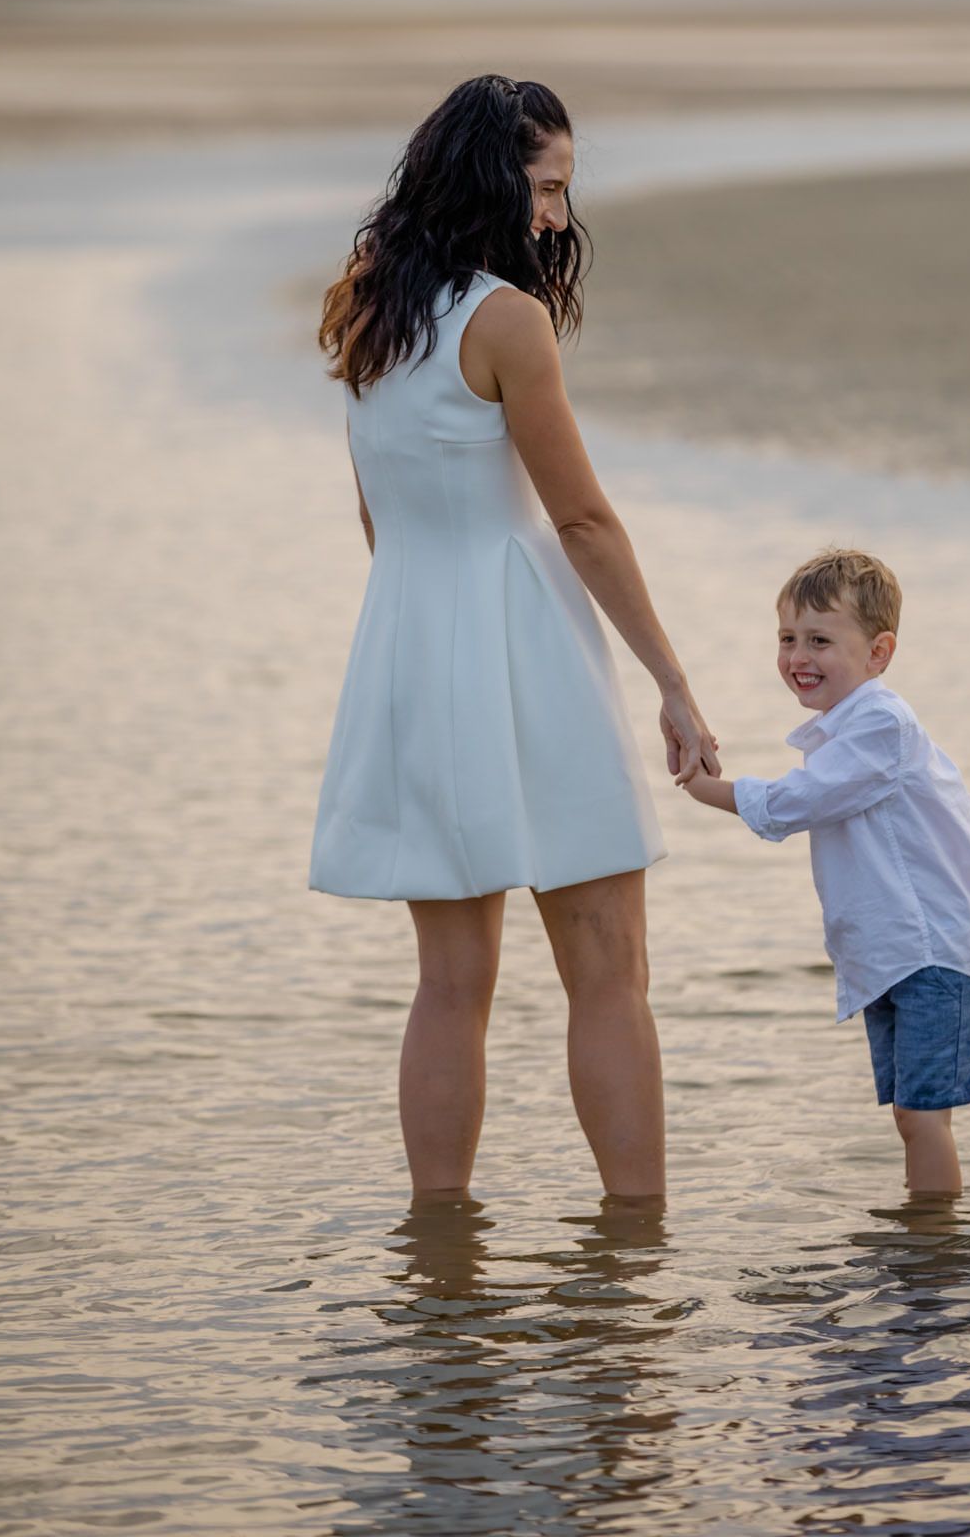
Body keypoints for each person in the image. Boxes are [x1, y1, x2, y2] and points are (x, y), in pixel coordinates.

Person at [308, 74, 719, 1208]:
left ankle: (439, 1250)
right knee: (609, 973)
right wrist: (673, 683)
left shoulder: (366, 307)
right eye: (543, 188)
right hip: (524, 651)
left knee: (451, 984)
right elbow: (581, 521)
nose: (555, 216)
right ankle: (636, 1249)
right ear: (490, 181)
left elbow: (376, 519)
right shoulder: (506, 320)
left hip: (406, 646)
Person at [679, 547, 970, 1197]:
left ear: (879, 653)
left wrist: (703, 786)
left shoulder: (881, 723)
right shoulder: (844, 730)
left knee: (922, 1116)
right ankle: (924, 1235)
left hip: (934, 949)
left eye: (820, 641)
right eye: (787, 638)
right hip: (893, 953)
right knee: (910, 1115)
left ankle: (935, 1245)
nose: (798, 656)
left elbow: (801, 801)